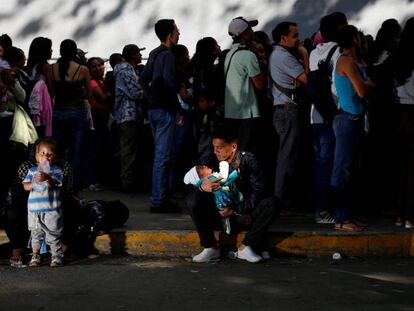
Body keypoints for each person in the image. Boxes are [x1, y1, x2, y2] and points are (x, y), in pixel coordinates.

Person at [185, 124, 279, 263]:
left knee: (272, 203)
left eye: (220, 147)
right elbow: (189, 183)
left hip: (242, 214)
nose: (216, 151)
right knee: (191, 199)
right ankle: (210, 247)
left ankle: (247, 247)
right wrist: (202, 189)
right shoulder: (209, 159)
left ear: (233, 147)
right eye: (214, 147)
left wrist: (235, 210)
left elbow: (258, 193)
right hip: (218, 214)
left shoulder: (249, 160)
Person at [330, 25, 374, 232]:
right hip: (347, 119)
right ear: (354, 39)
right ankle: (341, 218)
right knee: (343, 169)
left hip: (355, 118)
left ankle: (347, 215)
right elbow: (362, 90)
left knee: (350, 169)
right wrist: (368, 83)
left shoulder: (355, 61)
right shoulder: (346, 61)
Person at [139, 19, 183, 213]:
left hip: (154, 109)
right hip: (165, 110)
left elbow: (143, 78)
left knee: (160, 155)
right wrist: (178, 108)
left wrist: (151, 99)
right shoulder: (168, 56)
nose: (179, 33)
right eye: (176, 30)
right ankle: (158, 200)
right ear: (170, 34)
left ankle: (159, 197)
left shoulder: (154, 53)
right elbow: (169, 82)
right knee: (163, 157)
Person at [308, 12, 347, 223]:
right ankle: (326, 210)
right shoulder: (339, 53)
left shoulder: (315, 52)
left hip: (316, 115)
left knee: (321, 164)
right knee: (332, 164)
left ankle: (321, 208)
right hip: (333, 114)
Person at [269, 21, 309, 207]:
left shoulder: (277, 55)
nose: (298, 39)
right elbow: (306, 78)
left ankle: (285, 198)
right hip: (287, 111)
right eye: (294, 35)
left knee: (288, 156)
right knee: (286, 157)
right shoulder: (284, 56)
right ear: (283, 38)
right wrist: (305, 54)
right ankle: (280, 199)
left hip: (283, 111)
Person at [51, 39, 91, 193]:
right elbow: (89, 93)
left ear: (60, 51)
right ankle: (74, 184)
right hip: (76, 112)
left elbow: (51, 91)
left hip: (58, 111)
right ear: (75, 52)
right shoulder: (82, 69)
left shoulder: (52, 68)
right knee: (77, 150)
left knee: (58, 150)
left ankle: (56, 180)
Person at [224, 16, 265, 155]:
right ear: (244, 34)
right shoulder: (248, 56)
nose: (253, 32)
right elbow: (260, 85)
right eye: (250, 29)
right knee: (247, 154)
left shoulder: (230, 54)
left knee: (235, 154)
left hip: (231, 113)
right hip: (246, 114)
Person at [22, 137, 64, 267]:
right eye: (42, 153)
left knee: (53, 233)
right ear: (37, 156)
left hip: (51, 210)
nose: (46, 156)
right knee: (36, 234)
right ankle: (35, 256)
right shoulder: (32, 171)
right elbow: (26, 186)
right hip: (34, 210)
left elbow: (54, 185)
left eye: (50, 154)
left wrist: (47, 177)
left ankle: (56, 256)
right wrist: (33, 181)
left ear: (55, 157)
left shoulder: (57, 171)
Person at [391, 17, 414, 229]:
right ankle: (409, 215)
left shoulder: (397, 58)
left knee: (400, 166)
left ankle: (400, 214)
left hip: (399, 113)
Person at [113, 44, 143, 192]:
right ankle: (127, 182)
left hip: (125, 115)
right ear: (132, 55)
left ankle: (128, 180)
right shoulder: (126, 70)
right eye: (138, 53)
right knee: (128, 150)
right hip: (128, 114)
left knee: (128, 149)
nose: (140, 56)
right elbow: (135, 92)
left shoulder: (123, 69)